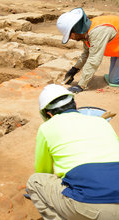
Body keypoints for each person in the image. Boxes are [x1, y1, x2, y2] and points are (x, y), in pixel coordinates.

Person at [26, 84, 119, 220]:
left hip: (97, 207)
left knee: (34, 182)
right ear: (75, 104)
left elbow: (43, 171)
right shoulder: (102, 123)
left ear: (48, 114)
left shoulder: (46, 128)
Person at [57, 7, 119, 93]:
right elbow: (86, 54)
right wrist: (74, 69)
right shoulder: (86, 33)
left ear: (76, 29)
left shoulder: (97, 32)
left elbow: (94, 60)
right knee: (113, 76)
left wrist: (81, 85)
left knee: (114, 80)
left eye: (70, 35)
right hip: (117, 49)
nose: (71, 38)